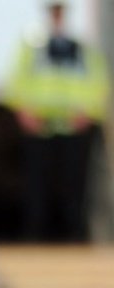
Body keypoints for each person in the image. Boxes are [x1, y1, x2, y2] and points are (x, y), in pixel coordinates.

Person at [6, 0, 109, 242]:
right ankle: (37, 234)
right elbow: (15, 80)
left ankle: (73, 234)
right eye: (53, 12)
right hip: (39, 126)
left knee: (75, 185)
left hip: (74, 127)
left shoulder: (84, 49)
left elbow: (99, 83)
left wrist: (88, 112)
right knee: (38, 185)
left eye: (60, 12)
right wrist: (23, 111)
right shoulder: (32, 48)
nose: (57, 17)